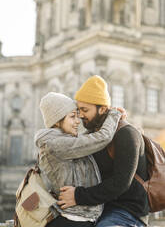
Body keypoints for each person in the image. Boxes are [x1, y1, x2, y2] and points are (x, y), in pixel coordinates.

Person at [57, 75, 149, 227]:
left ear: (103, 109)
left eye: (84, 110)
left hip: (128, 213)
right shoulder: (94, 136)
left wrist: (77, 196)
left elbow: (120, 183)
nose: (80, 116)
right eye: (78, 110)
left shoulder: (127, 133)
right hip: (99, 209)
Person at [35, 91, 123, 227]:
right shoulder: (56, 144)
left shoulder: (61, 141)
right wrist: (114, 114)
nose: (78, 121)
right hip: (74, 219)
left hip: (77, 218)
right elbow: (102, 138)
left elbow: (85, 140)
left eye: (77, 115)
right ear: (57, 121)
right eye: (72, 117)